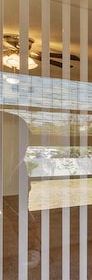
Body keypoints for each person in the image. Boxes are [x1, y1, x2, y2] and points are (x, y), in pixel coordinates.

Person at [2, 111, 40, 268]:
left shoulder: (14, 122)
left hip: (14, 181)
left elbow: (18, 151)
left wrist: (7, 174)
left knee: (20, 215)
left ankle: (32, 249)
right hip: (11, 178)